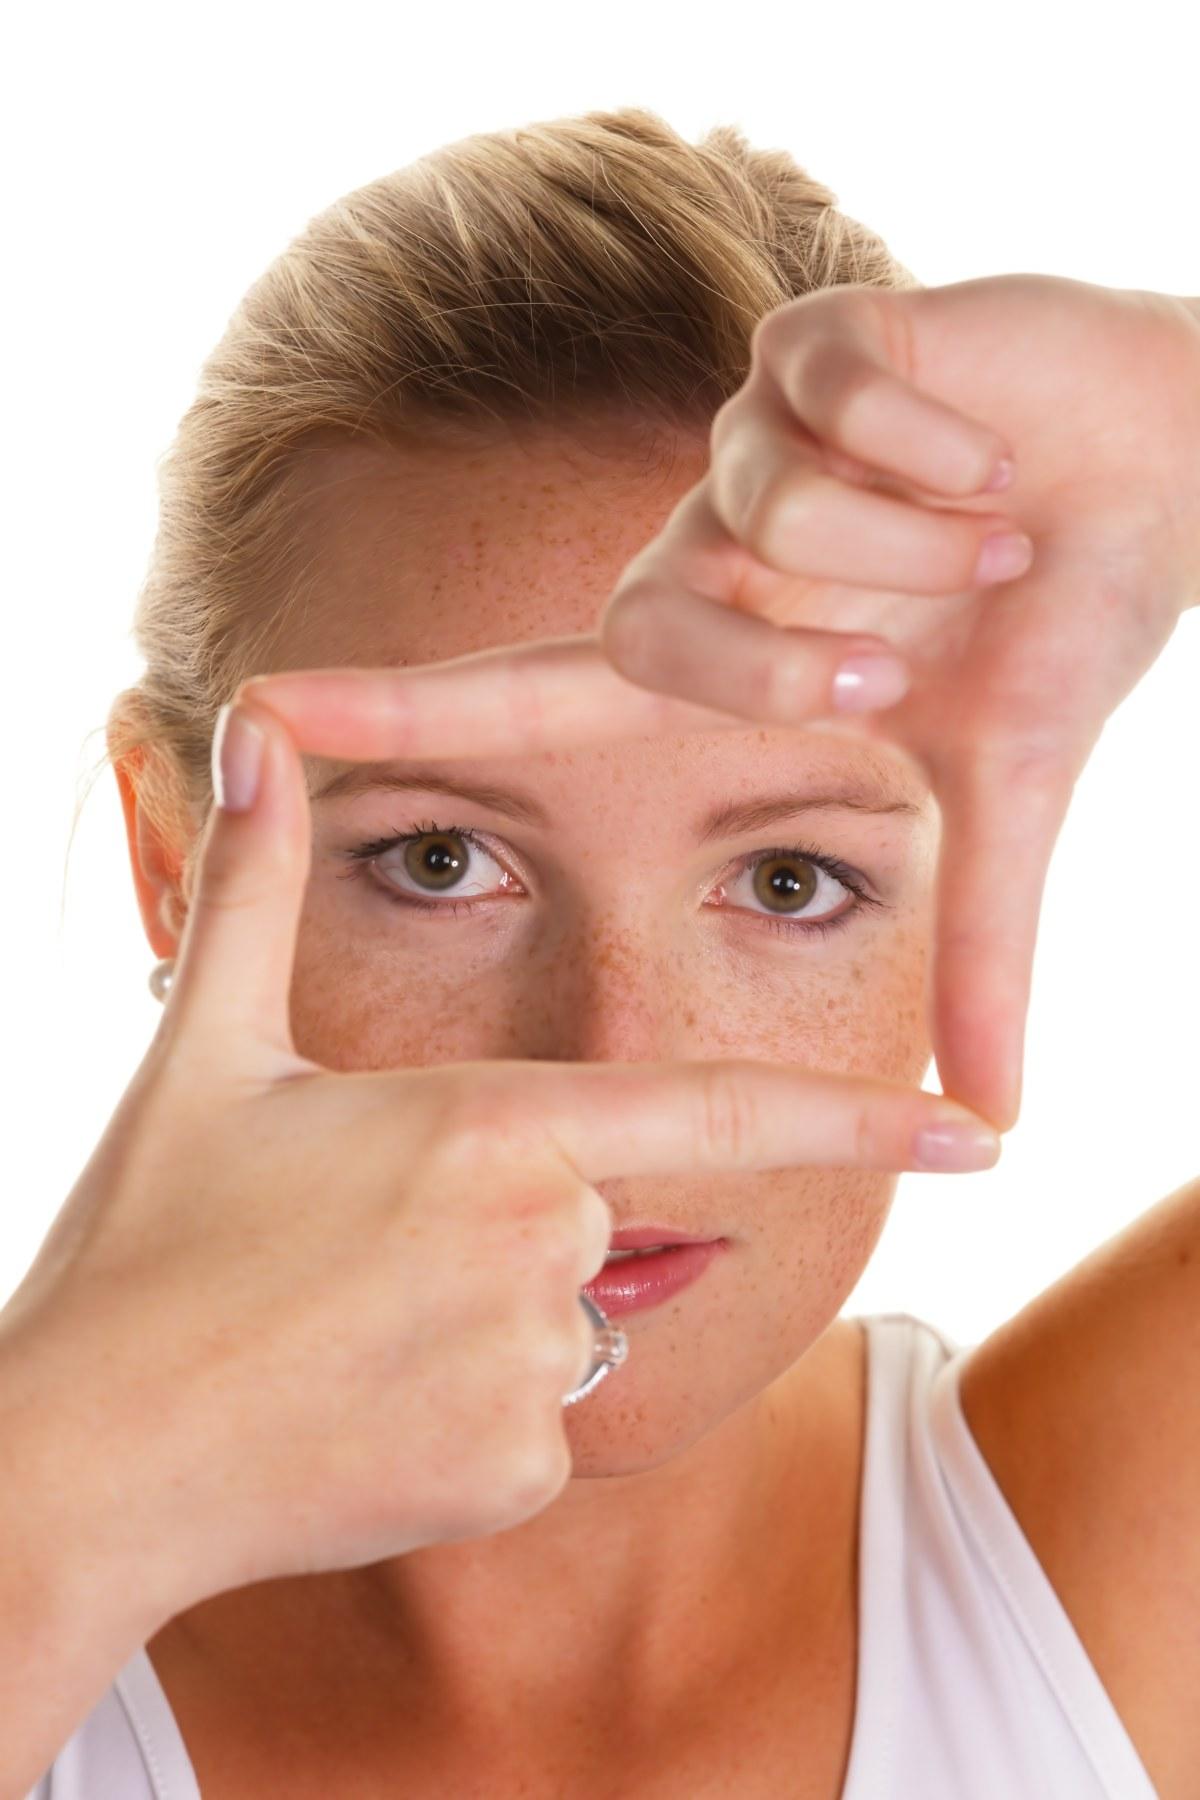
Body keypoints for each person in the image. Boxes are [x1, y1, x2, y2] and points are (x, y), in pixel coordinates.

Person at [3, 105, 1198, 1799]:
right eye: (439, 862)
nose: (613, 1064)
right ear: (171, 866)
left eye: (788, 879)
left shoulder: (1131, 1556)